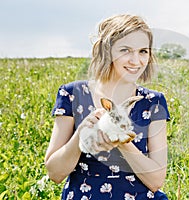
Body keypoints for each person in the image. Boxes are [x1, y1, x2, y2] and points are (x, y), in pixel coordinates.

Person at [44, 14, 170, 200]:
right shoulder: (72, 94)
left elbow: (156, 180)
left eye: (143, 51)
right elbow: (54, 173)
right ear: (106, 51)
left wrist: (122, 140)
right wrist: (81, 134)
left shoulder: (153, 102)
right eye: (126, 50)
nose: (136, 61)